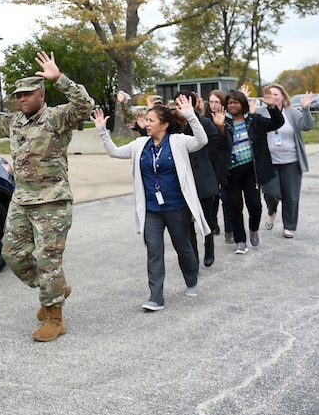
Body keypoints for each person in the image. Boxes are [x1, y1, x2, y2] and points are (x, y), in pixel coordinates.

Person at [0, 51, 93, 342]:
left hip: (52, 201)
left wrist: (60, 78)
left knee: (50, 260)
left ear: (41, 94)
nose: (22, 99)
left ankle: (55, 318)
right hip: (22, 199)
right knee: (11, 254)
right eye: (18, 96)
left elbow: (85, 106)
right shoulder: (15, 122)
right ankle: (54, 288)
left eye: (27, 94)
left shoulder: (57, 118)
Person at [93, 96, 209, 311]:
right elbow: (115, 152)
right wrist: (101, 130)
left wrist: (191, 115)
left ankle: (191, 279)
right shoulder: (140, 145)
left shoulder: (178, 141)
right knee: (154, 251)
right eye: (146, 120)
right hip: (151, 209)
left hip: (176, 207)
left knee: (183, 247)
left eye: (151, 121)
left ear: (164, 125)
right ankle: (156, 297)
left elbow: (201, 141)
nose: (146, 124)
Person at [222, 86, 284, 255]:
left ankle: (253, 229)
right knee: (235, 207)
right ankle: (240, 241)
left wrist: (272, 107)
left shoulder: (254, 120)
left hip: (251, 171)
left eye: (236, 103)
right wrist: (218, 127)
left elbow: (277, 123)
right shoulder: (222, 123)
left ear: (243, 104)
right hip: (231, 173)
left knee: (255, 205)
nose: (233, 106)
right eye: (230, 103)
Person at [175, 91, 227, 267]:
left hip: (204, 177)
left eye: (185, 102)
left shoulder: (205, 123)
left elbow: (217, 147)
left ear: (194, 103)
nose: (181, 107)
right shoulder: (173, 126)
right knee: (187, 224)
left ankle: (210, 247)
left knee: (207, 219)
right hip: (183, 181)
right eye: (178, 103)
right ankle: (193, 258)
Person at [257, 84, 316, 239]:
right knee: (271, 193)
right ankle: (271, 210)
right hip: (269, 163)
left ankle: (289, 226)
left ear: (283, 96)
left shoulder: (292, 112)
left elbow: (307, 126)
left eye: (277, 94)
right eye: (271, 94)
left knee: (291, 196)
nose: (274, 97)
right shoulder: (260, 112)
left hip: (291, 161)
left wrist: (305, 109)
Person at [207, 90, 233, 243]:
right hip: (209, 163)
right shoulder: (204, 120)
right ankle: (212, 221)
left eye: (217, 102)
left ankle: (229, 230)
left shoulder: (229, 119)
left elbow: (227, 144)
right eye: (211, 102)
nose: (214, 105)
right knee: (213, 198)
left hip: (225, 163)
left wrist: (221, 126)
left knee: (227, 198)